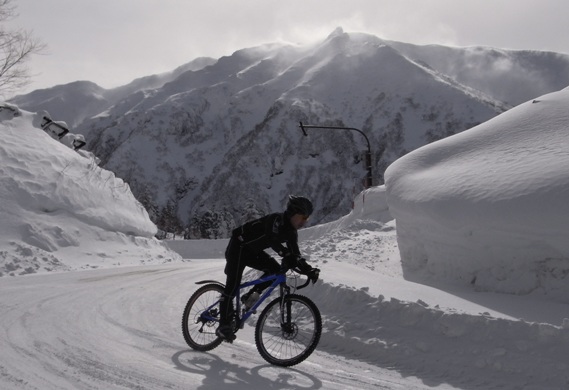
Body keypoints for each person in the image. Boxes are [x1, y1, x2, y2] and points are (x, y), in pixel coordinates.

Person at [216, 195, 320, 342]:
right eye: (302, 217)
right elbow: (272, 240)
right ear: (292, 213)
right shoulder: (276, 220)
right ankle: (223, 326)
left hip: (253, 252)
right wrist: (285, 254)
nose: (304, 221)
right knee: (232, 286)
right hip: (238, 246)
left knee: (276, 270)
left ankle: (251, 296)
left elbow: (296, 255)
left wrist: (308, 269)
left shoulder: (291, 233)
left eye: (307, 218)